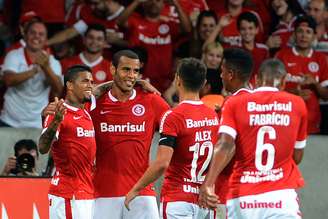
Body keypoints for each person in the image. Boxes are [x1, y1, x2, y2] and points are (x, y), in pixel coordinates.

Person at [199, 58, 308, 219]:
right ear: (284, 81)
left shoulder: (235, 103)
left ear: (256, 79)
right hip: (280, 195)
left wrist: (208, 184)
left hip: (244, 195)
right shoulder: (297, 104)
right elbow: (297, 157)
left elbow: (225, 145)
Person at [124, 57, 219, 219]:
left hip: (178, 199)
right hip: (205, 200)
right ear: (203, 83)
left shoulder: (173, 117)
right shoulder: (213, 115)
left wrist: (136, 189)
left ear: (177, 80)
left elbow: (162, 163)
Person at [89, 50, 170, 219]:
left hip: (142, 193)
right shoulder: (95, 104)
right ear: (112, 69)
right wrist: (102, 88)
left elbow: (177, 126)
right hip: (104, 193)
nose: (131, 75)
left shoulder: (151, 101)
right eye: (126, 69)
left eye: (136, 71)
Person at [39, 65, 96, 219]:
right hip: (68, 195)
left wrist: (139, 83)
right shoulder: (58, 111)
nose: (90, 85)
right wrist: (56, 121)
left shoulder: (86, 112)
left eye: (92, 81)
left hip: (84, 193)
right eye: (85, 81)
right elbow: (43, 147)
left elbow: (101, 90)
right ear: (70, 85)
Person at [116, 0, 192, 92]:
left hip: (165, 80)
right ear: (143, 3)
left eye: (158, 0)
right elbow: (119, 22)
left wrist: (176, 4)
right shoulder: (135, 21)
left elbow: (187, 29)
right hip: (138, 78)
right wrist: (136, 2)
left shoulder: (168, 25)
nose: (154, 3)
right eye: (150, 0)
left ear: (163, 4)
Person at [0, 20, 63, 128]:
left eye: (41, 34)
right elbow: (8, 81)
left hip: (37, 122)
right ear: (25, 35)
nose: (36, 37)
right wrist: (35, 70)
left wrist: (46, 67)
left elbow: (58, 89)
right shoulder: (13, 55)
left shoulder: (53, 61)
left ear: (46, 39)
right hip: (9, 120)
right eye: (32, 33)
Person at [275, 15, 328, 134]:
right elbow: (272, 91)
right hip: (285, 120)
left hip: (312, 123)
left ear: (314, 36)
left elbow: (326, 96)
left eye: (308, 32)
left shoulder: (321, 59)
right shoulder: (281, 56)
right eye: (300, 31)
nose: (303, 36)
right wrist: (294, 93)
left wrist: (315, 83)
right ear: (294, 34)